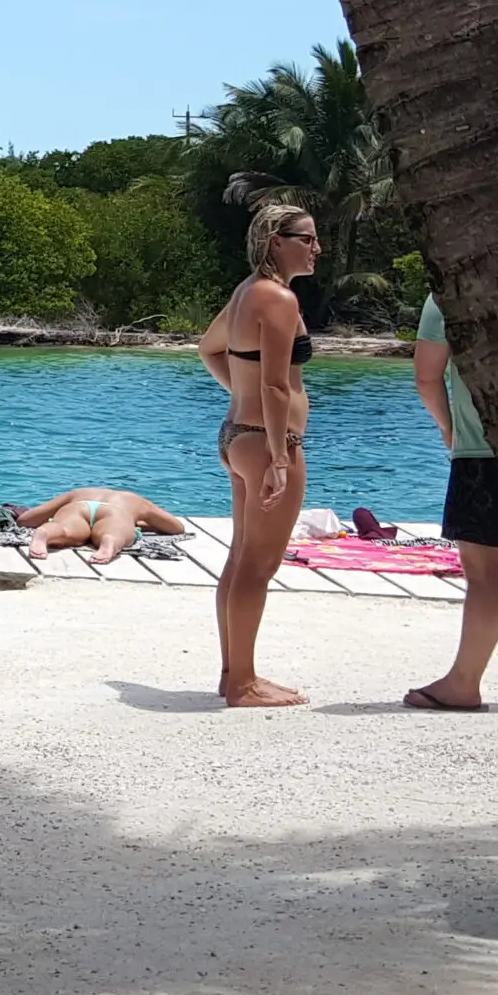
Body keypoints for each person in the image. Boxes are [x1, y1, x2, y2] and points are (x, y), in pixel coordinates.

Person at [202, 206, 319, 708]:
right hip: (266, 442)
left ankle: (235, 674)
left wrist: (241, 395)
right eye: (308, 239)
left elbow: (209, 349)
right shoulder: (278, 298)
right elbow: (275, 383)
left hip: (236, 434)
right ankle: (243, 683)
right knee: (258, 564)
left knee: (241, 558)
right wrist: (278, 456)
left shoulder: (246, 291)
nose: (317, 249)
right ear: (277, 240)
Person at [403, 290, 498, 712]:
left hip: (483, 448)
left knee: (485, 575)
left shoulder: (451, 290)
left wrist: (449, 430)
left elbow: (427, 377)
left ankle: (464, 682)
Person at [0, 487, 191, 566]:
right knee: (115, 532)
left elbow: (27, 520)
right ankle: (110, 543)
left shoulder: (80, 492)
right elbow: (176, 527)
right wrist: (140, 521)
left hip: (79, 507)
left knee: (63, 528)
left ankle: (45, 534)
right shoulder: (134, 500)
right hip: (116, 511)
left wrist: (26, 516)